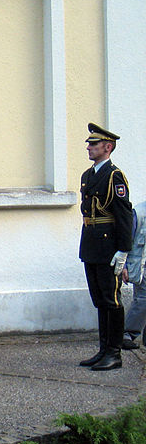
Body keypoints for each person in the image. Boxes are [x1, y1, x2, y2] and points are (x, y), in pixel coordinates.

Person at [78, 122, 132, 371]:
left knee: (112, 300)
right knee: (99, 299)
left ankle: (114, 353)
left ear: (107, 147)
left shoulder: (114, 176)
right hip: (91, 243)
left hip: (109, 245)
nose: (89, 147)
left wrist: (123, 250)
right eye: (89, 144)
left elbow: (123, 216)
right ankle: (103, 350)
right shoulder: (88, 175)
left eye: (94, 144)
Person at [121, 200, 146, 349]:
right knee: (142, 300)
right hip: (142, 265)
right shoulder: (138, 213)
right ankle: (127, 334)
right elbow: (126, 240)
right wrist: (123, 266)